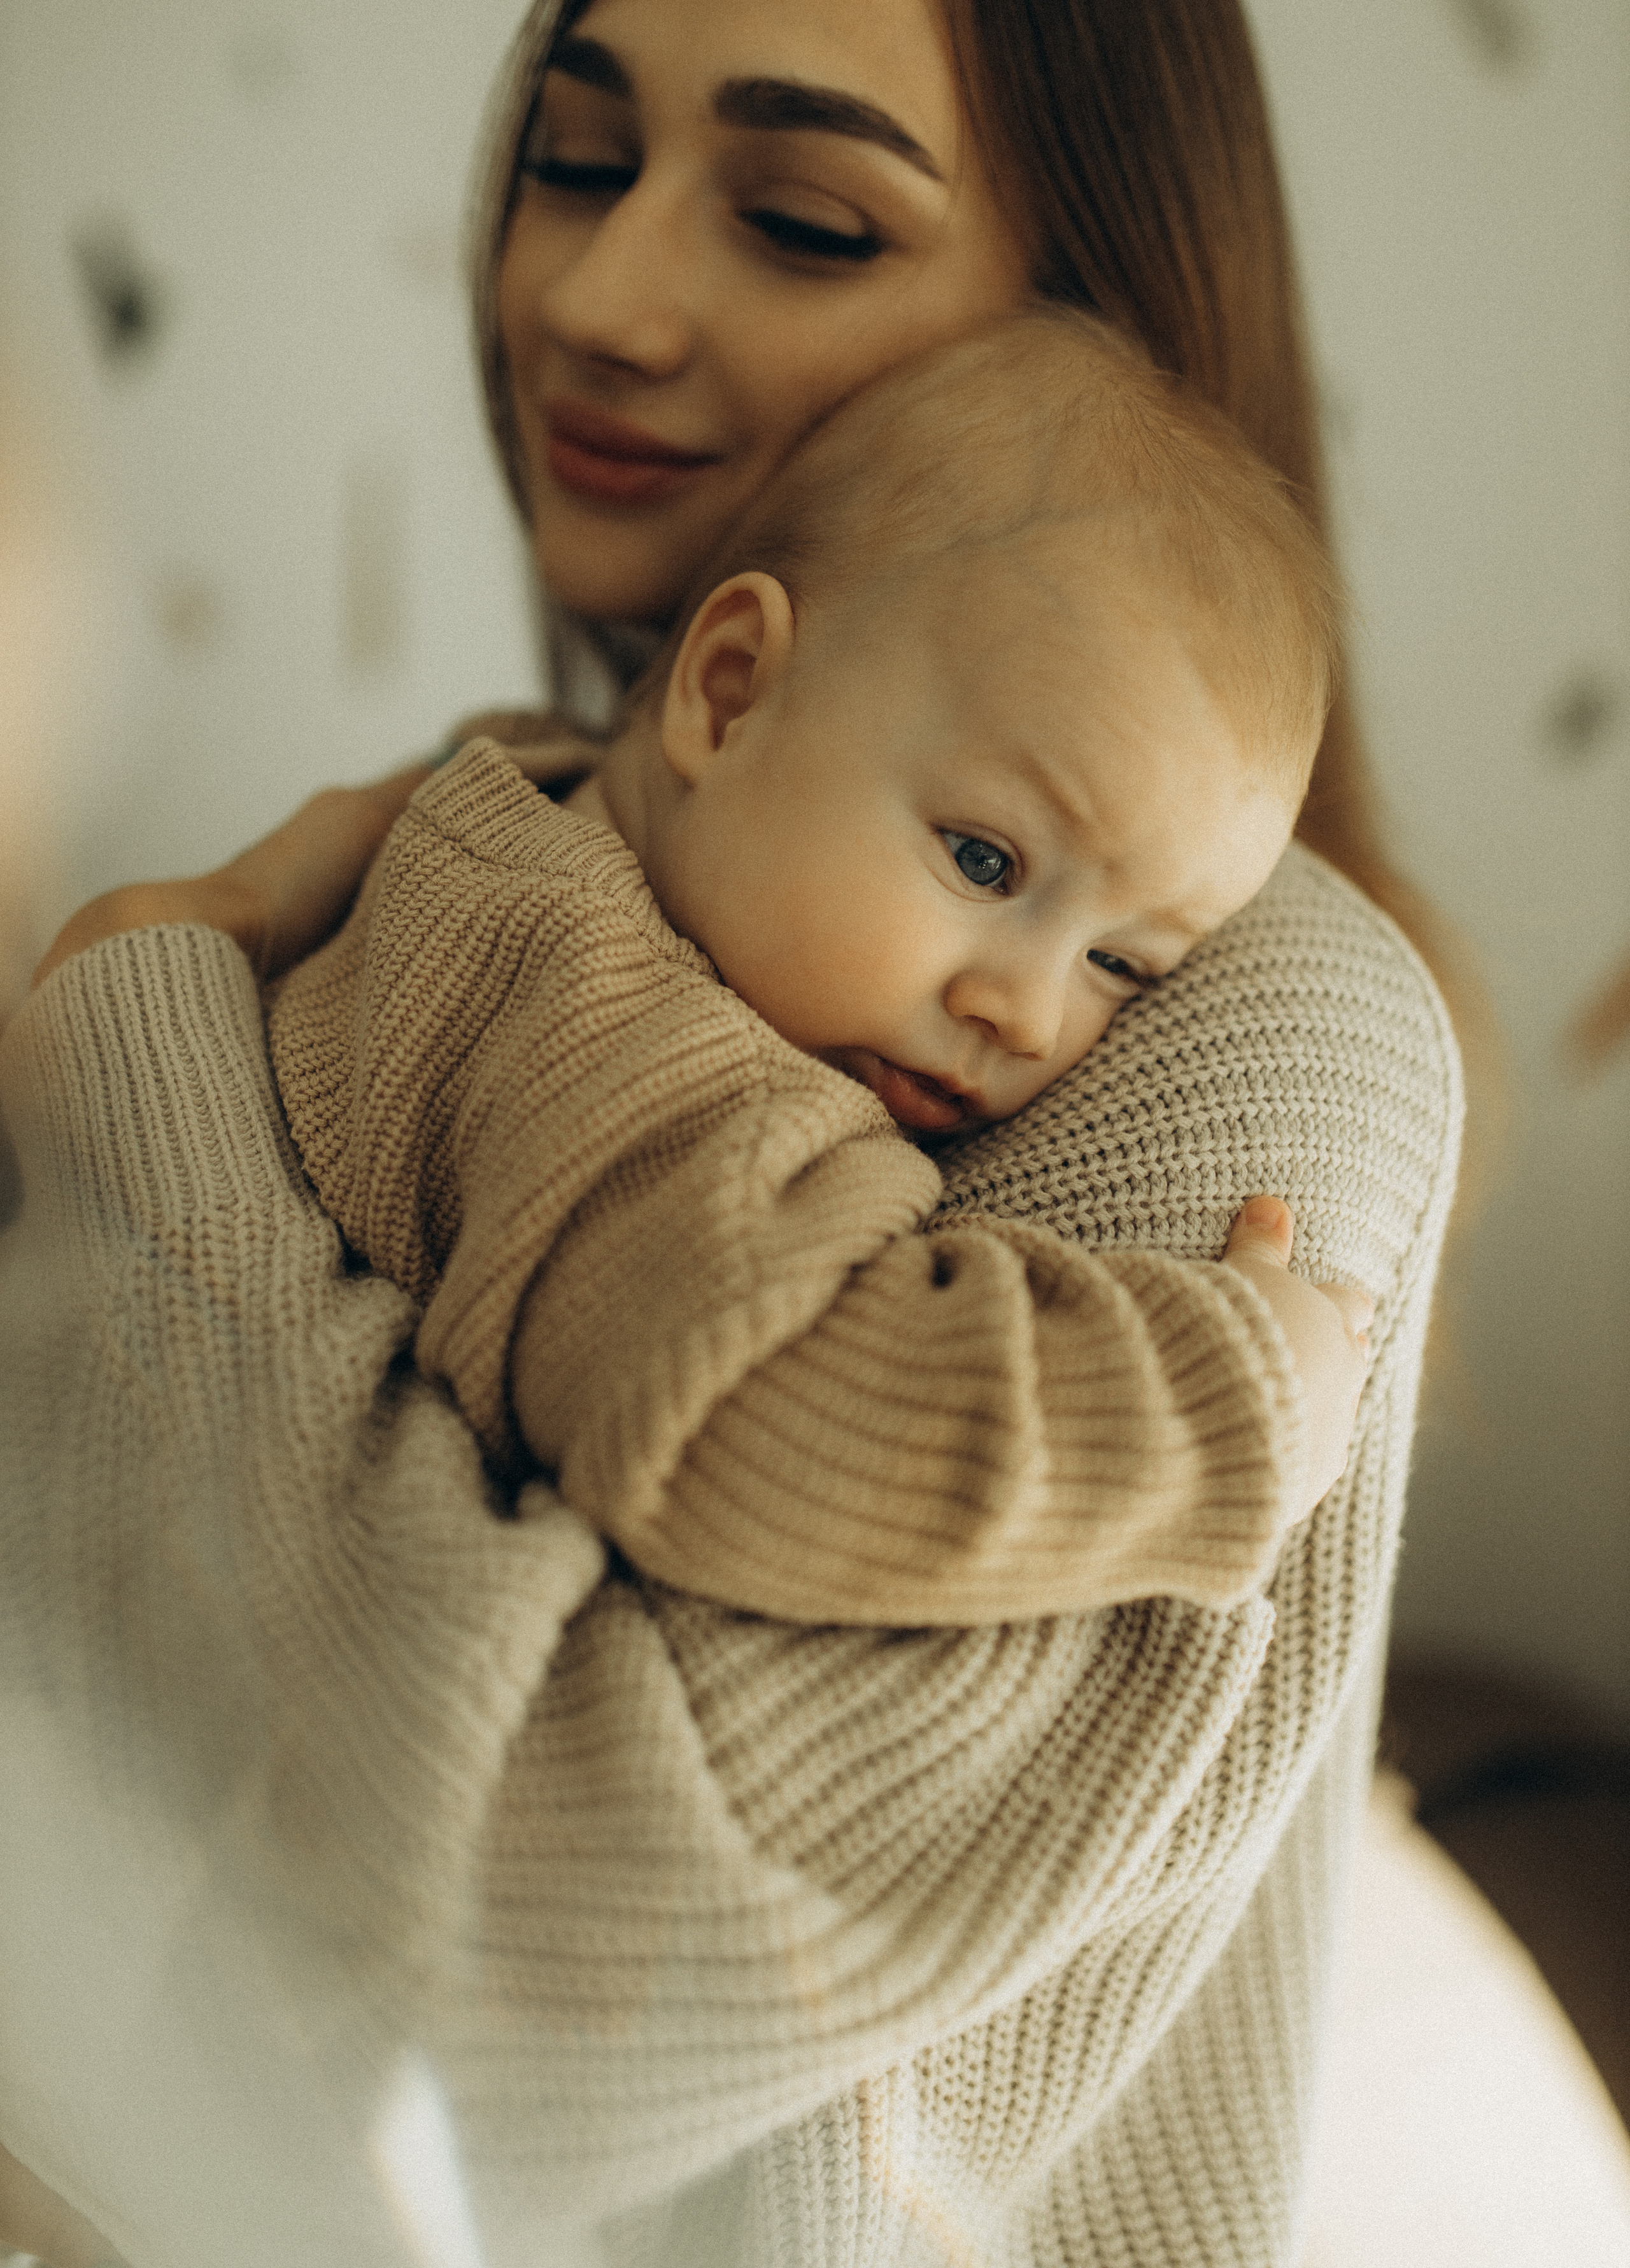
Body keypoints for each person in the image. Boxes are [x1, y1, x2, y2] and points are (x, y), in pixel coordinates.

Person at [0, 3, 1463, 2263]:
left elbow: (513, 1965)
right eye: (578, 161)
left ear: (1095, 311)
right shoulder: (556, 846)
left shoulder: (1272, 1022)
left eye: (802, 217)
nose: (597, 294)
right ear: (731, 686)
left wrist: (133, 1039)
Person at [269, 307, 1371, 1625]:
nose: (1023, 1014)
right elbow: (749, 1432)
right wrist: (1227, 1406)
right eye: (982, 861)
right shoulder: (611, 1030)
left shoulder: (543, 822)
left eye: (1120, 965)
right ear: (730, 692)